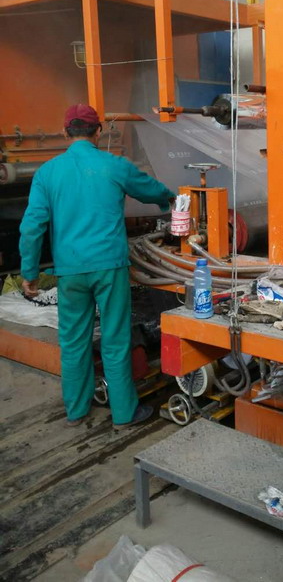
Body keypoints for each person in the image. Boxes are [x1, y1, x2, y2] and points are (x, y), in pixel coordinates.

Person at [19, 105, 175, 427]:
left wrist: (30, 273)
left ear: (65, 132)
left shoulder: (47, 173)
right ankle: (124, 413)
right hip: (109, 267)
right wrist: (170, 199)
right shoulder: (114, 165)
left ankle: (76, 412)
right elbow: (151, 189)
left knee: (73, 342)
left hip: (70, 272)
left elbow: (32, 227)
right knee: (115, 339)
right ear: (99, 132)